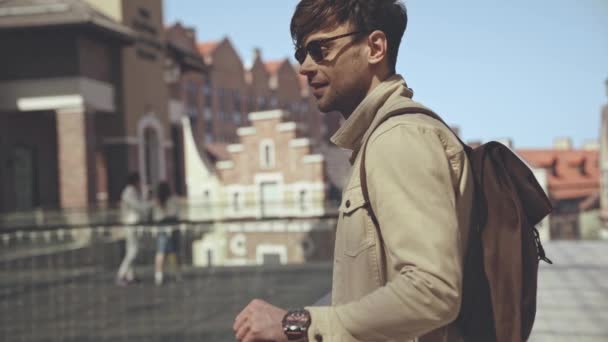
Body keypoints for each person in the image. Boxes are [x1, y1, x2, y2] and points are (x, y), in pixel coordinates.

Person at [233, 1, 474, 341]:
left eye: (320, 48)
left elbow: (433, 290)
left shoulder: (398, 139)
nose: (304, 67)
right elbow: (370, 288)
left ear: (375, 47)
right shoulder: (377, 141)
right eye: (302, 52)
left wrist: (296, 325)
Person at [116, 172, 149, 286]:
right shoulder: (129, 192)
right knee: (133, 250)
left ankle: (131, 275)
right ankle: (121, 274)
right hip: (131, 223)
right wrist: (146, 196)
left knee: (131, 249)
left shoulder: (132, 191)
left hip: (133, 222)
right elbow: (139, 206)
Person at [153, 181, 181, 285]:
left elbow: (155, 216)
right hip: (172, 228)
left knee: (160, 253)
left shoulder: (157, 202)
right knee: (174, 252)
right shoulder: (173, 200)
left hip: (161, 229)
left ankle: (158, 276)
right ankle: (177, 274)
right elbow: (175, 214)